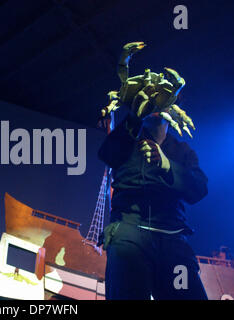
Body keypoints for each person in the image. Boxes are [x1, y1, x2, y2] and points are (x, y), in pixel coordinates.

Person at [98, 93, 209, 299]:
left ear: (172, 111)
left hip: (172, 242)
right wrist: (134, 117)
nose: (156, 106)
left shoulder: (182, 151)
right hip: (129, 236)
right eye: (153, 101)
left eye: (163, 103)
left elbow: (199, 189)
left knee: (184, 291)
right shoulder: (127, 138)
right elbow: (107, 154)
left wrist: (167, 165)